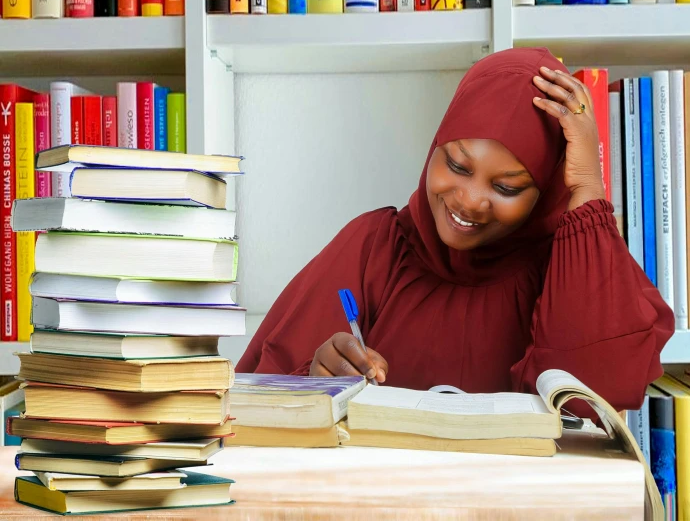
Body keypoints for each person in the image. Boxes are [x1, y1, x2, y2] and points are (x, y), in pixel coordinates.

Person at [236, 47, 674, 414]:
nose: (468, 201)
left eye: (506, 187)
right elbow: (258, 400)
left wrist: (587, 185)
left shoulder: (562, 270)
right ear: (436, 146)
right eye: (457, 165)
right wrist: (320, 379)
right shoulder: (373, 247)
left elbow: (593, 402)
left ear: (545, 191)